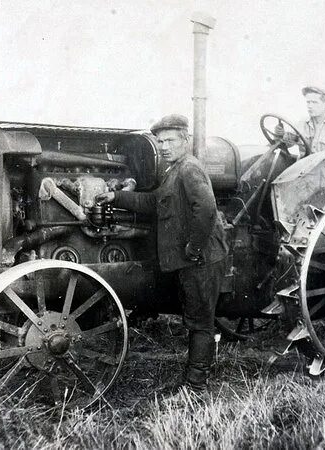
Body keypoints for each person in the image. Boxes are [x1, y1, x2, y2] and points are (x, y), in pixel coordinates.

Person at [95, 114, 228, 392]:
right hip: (193, 258)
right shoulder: (173, 171)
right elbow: (153, 201)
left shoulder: (189, 168)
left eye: (170, 140)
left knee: (200, 321)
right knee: (195, 317)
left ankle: (195, 387)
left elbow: (205, 209)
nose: (164, 146)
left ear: (185, 141)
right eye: (160, 141)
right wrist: (116, 197)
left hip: (202, 258)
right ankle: (195, 379)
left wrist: (193, 247)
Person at [275, 86, 325, 153]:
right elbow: (285, 144)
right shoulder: (302, 123)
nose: (310, 106)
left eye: (314, 102)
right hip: (304, 165)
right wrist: (280, 134)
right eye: (308, 102)